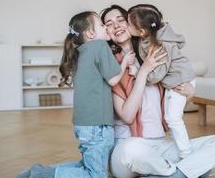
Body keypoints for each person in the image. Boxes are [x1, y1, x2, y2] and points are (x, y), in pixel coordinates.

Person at [101, 5, 215, 178]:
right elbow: (127, 116)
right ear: (106, 32)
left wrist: (187, 92)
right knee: (132, 148)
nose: (117, 26)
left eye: (121, 20)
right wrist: (143, 72)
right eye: (109, 24)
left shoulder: (153, 54)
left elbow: (171, 97)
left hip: (159, 147)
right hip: (128, 149)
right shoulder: (112, 67)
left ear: (134, 24)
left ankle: (173, 173)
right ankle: (186, 171)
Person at [17, 11, 135, 178]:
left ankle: (42, 172)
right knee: (96, 175)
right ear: (90, 33)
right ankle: (42, 175)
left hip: (85, 125)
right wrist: (125, 63)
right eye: (102, 25)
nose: (106, 28)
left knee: (89, 166)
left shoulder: (81, 52)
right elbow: (113, 80)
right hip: (97, 125)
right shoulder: (100, 46)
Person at [127, 4, 196, 159]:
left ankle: (186, 153)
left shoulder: (160, 45)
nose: (126, 25)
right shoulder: (148, 39)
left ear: (142, 31)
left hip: (180, 81)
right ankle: (178, 148)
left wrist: (141, 74)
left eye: (128, 24)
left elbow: (158, 74)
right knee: (169, 117)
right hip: (175, 81)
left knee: (172, 118)